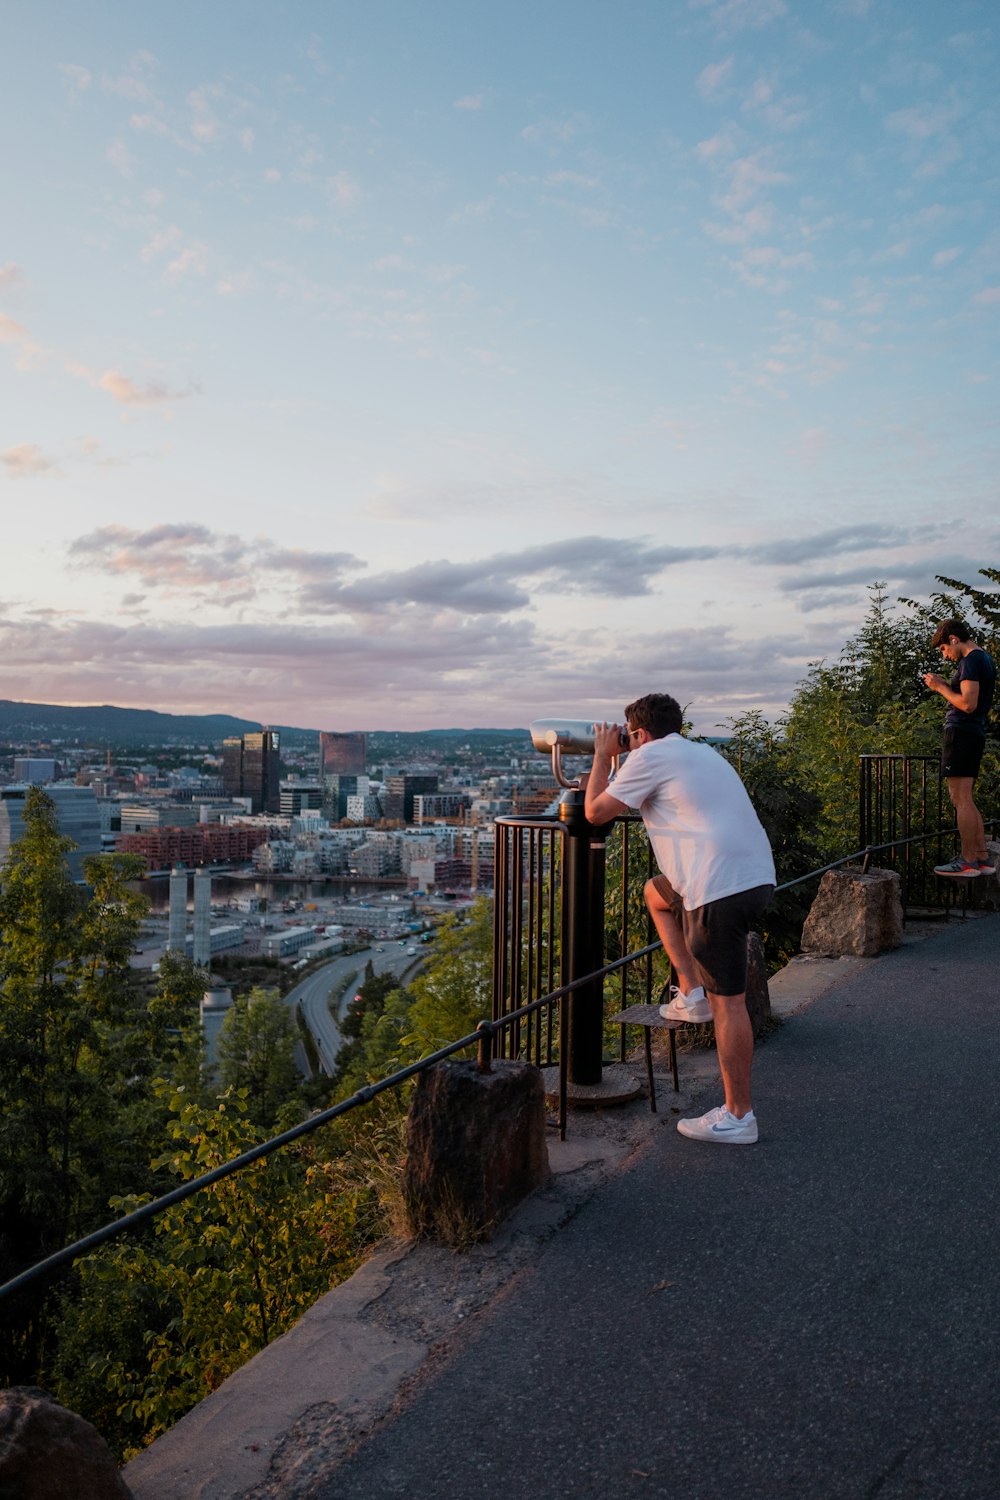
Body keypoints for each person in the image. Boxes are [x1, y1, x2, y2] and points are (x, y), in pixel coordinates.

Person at [584, 694, 775, 1146]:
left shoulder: (648, 754)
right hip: (755, 878)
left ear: (639, 734)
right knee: (656, 893)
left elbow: (594, 812)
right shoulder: (697, 751)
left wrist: (600, 756)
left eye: (628, 737)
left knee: (730, 1002)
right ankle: (691, 994)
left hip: (718, 888)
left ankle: (738, 1116)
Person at [923, 618, 996, 878]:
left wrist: (941, 687)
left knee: (960, 798)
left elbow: (967, 704)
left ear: (953, 639)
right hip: (973, 733)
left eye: (944, 649)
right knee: (967, 798)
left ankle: (966, 862)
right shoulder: (984, 658)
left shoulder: (970, 661)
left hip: (961, 733)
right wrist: (948, 684)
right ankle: (981, 857)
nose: (945, 656)